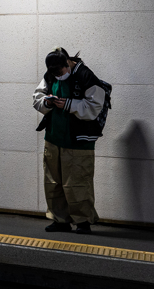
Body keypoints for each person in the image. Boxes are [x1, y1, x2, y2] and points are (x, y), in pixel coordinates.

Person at [32, 47, 106, 234]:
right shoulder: (51, 74)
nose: (58, 76)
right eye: (54, 73)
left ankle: (83, 222)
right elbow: (37, 97)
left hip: (79, 140)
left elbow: (95, 106)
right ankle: (60, 220)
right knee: (53, 182)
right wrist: (47, 102)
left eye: (60, 72)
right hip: (54, 136)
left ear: (68, 63)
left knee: (78, 183)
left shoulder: (86, 75)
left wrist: (68, 104)